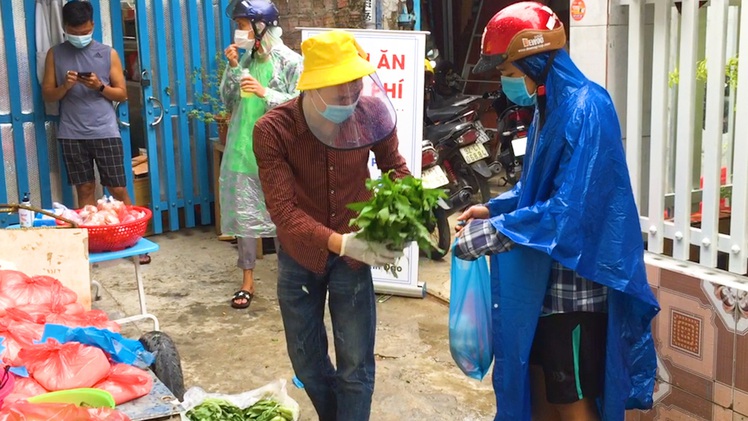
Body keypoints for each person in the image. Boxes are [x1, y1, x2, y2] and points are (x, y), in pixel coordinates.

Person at [454, 2, 660, 421]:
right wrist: (491, 208)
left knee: (573, 401)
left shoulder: (588, 108)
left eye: (511, 73)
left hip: (578, 290)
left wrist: (492, 234)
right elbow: (536, 188)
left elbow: (570, 210)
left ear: (537, 62)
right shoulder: (547, 114)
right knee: (542, 391)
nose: (507, 83)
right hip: (544, 287)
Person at [253, 30, 409, 420]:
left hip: (354, 258)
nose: (351, 93)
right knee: (306, 363)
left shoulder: (371, 114)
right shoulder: (273, 130)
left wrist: (406, 218)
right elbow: (284, 212)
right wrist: (340, 242)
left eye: (356, 81)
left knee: (356, 365)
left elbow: (395, 170)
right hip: (300, 256)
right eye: (340, 86)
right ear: (313, 87)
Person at [41, 1, 151, 264]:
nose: (80, 35)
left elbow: (122, 94)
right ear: (65, 28)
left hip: (105, 130)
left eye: (83, 30)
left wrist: (99, 87)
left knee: (118, 186)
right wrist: (65, 86)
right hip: (71, 133)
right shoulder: (55, 54)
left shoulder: (108, 53)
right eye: (74, 31)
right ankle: (92, 243)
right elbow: (48, 94)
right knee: (85, 189)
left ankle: (133, 240)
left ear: (92, 25)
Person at [219, 0, 302, 309]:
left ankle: (290, 282)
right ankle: (247, 282)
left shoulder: (291, 61)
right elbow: (229, 102)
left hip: (276, 156)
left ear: (260, 27)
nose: (238, 33)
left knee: (282, 218)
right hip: (243, 149)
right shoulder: (246, 62)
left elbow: (301, 105)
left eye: (242, 27)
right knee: (245, 221)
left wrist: (266, 93)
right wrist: (231, 67)